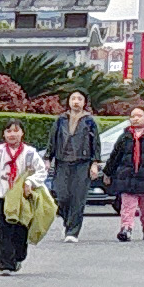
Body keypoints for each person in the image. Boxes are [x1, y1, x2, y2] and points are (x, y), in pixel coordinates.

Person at [0, 118, 52, 276]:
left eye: (16, 131)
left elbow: (41, 171)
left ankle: (18, 256)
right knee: (2, 231)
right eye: (9, 131)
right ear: (4, 134)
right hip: (1, 194)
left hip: (21, 196)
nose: (12, 134)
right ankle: (5, 264)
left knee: (20, 230)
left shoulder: (29, 153)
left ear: (22, 133)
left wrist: (30, 181)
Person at [104, 100, 144, 241]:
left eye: (139, 116)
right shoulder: (125, 137)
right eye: (132, 116)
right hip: (127, 179)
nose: (135, 118)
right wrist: (108, 172)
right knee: (127, 206)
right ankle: (126, 229)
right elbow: (115, 156)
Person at [47, 88, 103, 238]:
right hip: (62, 162)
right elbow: (52, 140)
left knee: (78, 198)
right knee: (61, 196)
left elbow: (95, 143)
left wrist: (95, 163)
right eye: (73, 98)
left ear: (84, 102)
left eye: (79, 99)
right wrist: (48, 158)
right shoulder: (61, 119)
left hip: (82, 163)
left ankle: (72, 232)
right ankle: (68, 221)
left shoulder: (89, 121)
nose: (76, 102)